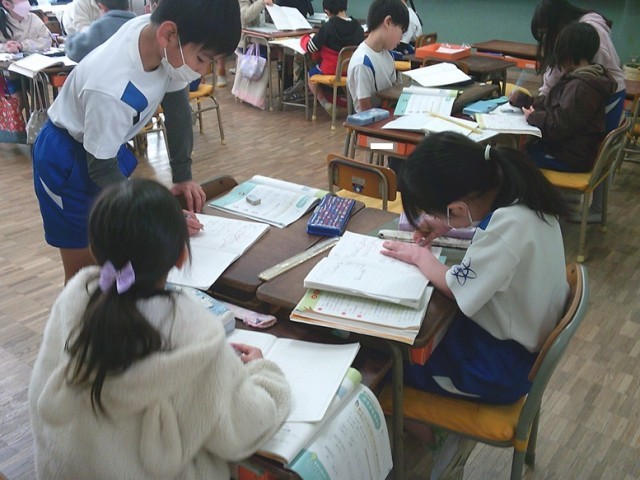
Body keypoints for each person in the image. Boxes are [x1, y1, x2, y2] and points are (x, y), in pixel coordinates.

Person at [28, 178, 291, 479]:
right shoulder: (194, 333)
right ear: (181, 256)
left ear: (95, 249)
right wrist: (264, 373)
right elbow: (244, 431)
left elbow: (40, 396)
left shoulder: (74, 297)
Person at [381, 132, 569, 479]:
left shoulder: (505, 229)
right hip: (511, 345)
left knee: (384, 365)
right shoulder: (521, 194)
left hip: (498, 368)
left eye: (437, 213)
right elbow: (486, 248)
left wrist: (420, 257)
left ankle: (437, 436)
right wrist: (443, 224)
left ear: (458, 208)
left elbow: (457, 288)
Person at [32, 0, 241, 284]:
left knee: (116, 253)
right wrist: (159, 218)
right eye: (203, 59)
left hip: (104, 146)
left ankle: (117, 304)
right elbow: (101, 168)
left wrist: (183, 175)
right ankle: (86, 312)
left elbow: (177, 104)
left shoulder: (157, 36)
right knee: (85, 273)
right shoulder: (109, 86)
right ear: (168, 34)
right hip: (66, 157)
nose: (202, 72)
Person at [523, 21, 616, 174]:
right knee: (522, 152)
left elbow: (559, 126)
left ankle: (536, 189)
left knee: (518, 159)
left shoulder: (581, 87)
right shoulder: (585, 78)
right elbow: (554, 103)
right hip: (571, 151)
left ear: (567, 53)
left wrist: (534, 117)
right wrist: (527, 101)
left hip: (569, 157)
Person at [531, 0, 625, 133]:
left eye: (548, 31)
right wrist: (541, 101)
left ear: (558, 20)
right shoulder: (570, 35)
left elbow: (563, 124)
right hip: (586, 96)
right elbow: (555, 72)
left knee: (592, 139)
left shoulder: (589, 32)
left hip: (607, 96)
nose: (548, 37)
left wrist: (540, 112)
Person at [300, 0, 364, 116]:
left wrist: (304, 39)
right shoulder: (359, 28)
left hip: (331, 69)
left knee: (310, 76)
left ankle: (325, 104)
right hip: (351, 70)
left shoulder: (328, 27)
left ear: (327, 11)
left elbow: (311, 47)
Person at [346, 0, 408, 113]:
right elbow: (366, 112)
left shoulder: (388, 54)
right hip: (372, 120)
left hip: (389, 113)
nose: (401, 39)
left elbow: (392, 92)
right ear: (388, 22)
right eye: (401, 31)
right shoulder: (362, 62)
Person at [64, 0, 135, 62]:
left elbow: (74, 50)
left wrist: (69, 39)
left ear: (102, 7)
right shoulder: (138, 24)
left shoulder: (101, 28)